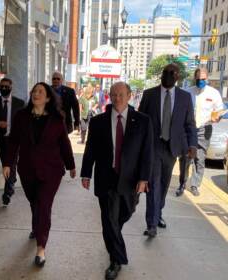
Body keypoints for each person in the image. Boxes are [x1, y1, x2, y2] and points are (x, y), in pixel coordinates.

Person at [81, 82, 154, 280]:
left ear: (129, 95)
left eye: (121, 94)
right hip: (107, 178)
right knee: (109, 220)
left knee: (123, 215)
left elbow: (147, 153)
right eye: (113, 94)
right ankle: (116, 260)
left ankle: (114, 239)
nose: (117, 98)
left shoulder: (143, 121)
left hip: (131, 180)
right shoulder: (98, 122)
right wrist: (86, 173)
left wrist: (144, 178)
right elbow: (90, 151)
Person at [3, 82, 76, 267]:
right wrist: (7, 163)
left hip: (51, 171)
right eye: (34, 91)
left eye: (40, 92)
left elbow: (64, 144)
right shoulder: (21, 116)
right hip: (27, 169)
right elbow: (13, 142)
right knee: (34, 202)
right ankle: (37, 227)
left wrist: (71, 165)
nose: (36, 94)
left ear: (48, 97)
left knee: (44, 205)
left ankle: (41, 247)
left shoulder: (57, 118)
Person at [138, 63, 197, 238]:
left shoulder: (185, 98)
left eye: (171, 73)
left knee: (163, 185)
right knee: (153, 184)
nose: (167, 75)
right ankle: (152, 224)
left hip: (172, 149)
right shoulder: (150, 94)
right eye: (165, 72)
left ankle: (158, 213)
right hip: (153, 147)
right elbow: (141, 120)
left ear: (177, 76)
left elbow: (189, 124)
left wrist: (192, 145)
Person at [177, 67, 224, 197]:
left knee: (199, 158)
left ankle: (195, 185)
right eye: (198, 79)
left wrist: (218, 117)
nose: (200, 81)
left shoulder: (214, 93)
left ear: (207, 78)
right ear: (194, 78)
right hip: (188, 129)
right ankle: (182, 183)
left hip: (205, 128)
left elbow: (220, 111)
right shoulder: (187, 93)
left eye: (203, 79)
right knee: (185, 158)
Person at [0, 78, 25, 206]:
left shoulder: (19, 103)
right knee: (6, 163)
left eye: (6, 86)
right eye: (2, 86)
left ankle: (7, 192)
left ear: (11, 87)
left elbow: (25, 122)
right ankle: (12, 180)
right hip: (1, 140)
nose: (4, 88)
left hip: (14, 139)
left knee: (12, 163)